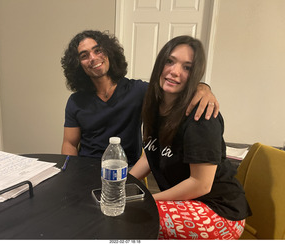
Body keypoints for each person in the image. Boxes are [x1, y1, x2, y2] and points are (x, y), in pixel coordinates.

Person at [129, 35, 251, 239]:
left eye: (187, 67)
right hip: (187, 204)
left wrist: (149, 198)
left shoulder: (201, 116)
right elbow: (149, 155)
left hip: (220, 213)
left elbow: (201, 183)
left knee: (132, 217)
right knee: (118, 210)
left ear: (195, 74)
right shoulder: (154, 105)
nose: (174, 71)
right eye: (170, 61)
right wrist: (123, 185)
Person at [61, 30, 219, 166]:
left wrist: (202, 87)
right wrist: (70, 173)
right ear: (78, 64)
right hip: (86, 169)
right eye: (84, 55)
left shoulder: (138, 91)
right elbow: (70, 143)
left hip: (127, 169)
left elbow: (172, 89)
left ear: (109, 52)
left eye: (98, 50)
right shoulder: (76, 101)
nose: (93, 58)